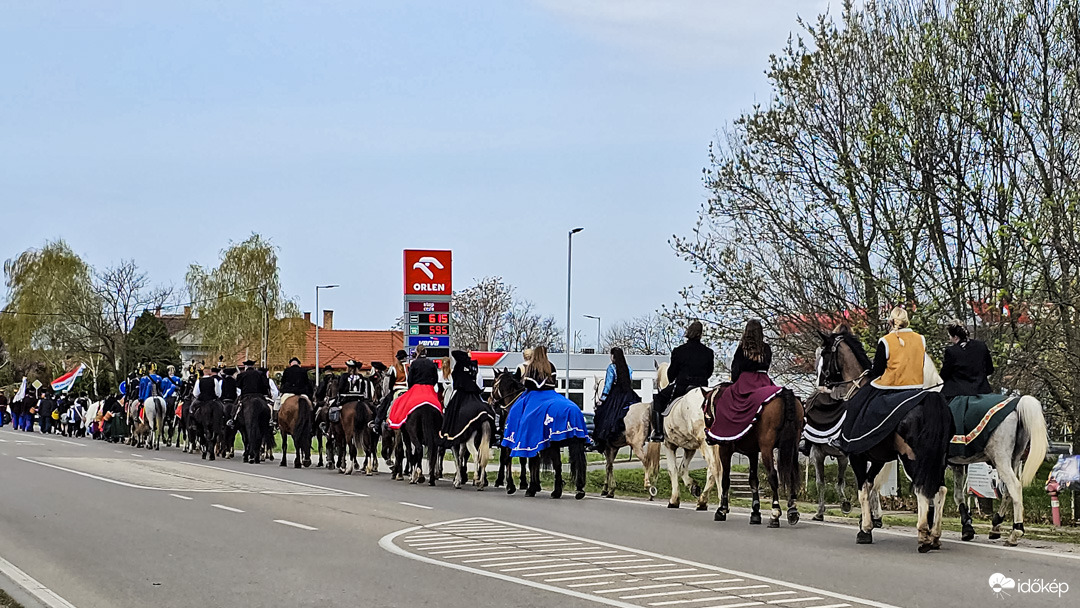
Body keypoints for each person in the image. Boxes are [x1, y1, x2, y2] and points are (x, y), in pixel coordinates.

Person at [837, 306, 939, 453]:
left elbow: (878, 371)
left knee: (856, 402)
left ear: (890, 322)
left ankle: (846, 439)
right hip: (917, 387)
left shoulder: (886, 340)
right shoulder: (920, 339)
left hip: (891, 385)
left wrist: (870, 371)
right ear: (907, 321)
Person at [706, 320, 782, 443]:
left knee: (725, 399)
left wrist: (735, 381)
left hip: (746, 381)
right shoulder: (766, 348)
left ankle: (722, 432)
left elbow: (735, 369)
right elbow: (767, 366)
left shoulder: (742, 349)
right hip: (764, 381)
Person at [650, 321, 714, 442]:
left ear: (688, 332)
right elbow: (709, 372)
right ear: (701, 334)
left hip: (683, 386)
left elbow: (671, 374)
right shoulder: (708, 352)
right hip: (701, 387)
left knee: (658, 399)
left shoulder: (679, 351)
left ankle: (658, 433)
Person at [439, 350, 493, 445]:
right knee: (487, 407)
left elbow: (454, 383)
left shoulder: (458, 366)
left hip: (461, 394)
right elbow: (480, 384)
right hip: (474, 394)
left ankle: (448, 434)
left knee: (450, 412)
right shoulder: (474, 367)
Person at [592, 347, 639, 453]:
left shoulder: (611, 368)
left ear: (613, 356)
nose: (610, 357)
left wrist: (602, 399)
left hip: (616, 395)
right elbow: (629, 381)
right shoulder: (628, 368)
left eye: (611, 355)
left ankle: (600, 442)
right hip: (628, 394)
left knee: (602, 414)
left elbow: (608, 385)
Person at [386, 346, 443, 432]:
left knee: (395, 403)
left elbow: (410, 380)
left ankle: (380, 421)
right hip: (429, 389)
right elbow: (435, 378)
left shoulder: (411, 364)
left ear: (417, 352)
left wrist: (411, 389)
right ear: (426, 352)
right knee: (440, 405)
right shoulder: (431, 363)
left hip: (413, 388)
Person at [941, 321, 994, 402]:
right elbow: (990, 369)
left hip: (959, 393)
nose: (949, 339)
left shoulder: (951, 351)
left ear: (955, 337)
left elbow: (944, 375)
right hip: (983, 389)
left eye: (950, 336)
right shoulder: (981, 345)